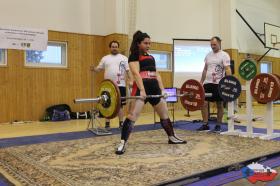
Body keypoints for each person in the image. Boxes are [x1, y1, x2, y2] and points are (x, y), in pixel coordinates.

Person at [116, 31, 186, 155]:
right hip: (141, 89)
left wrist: (163, 89)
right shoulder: (134, 56)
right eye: (145, 43)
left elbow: (157, 74)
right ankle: (123, 142)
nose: (148, 45)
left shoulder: (151, 57)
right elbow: (136, 74)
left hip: (154, 89)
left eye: (149, 43)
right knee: (132, 116)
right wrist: (142, 90)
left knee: (164, 114)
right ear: (138, 43)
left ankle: (172, 137)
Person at [92, 40, 132, 129]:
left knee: (120, 105)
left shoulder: (124, 58)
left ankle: (121, 123)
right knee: (106, 104)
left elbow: (128, 71)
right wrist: (94, 69)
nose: (114, 48)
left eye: (116, 46)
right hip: (108, 86)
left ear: (118, 47)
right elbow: (99, 69)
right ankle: (107, 124)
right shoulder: (105, 58)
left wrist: (131, 80)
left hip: (120, 85)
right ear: (110, 48)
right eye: (113, 46)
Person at [198, 36, 232, 132]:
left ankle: (218, 125)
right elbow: (205, 69)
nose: (212, 46)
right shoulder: (208, 55)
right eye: (211, 45)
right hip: (208, 83)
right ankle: (205, 124)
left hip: (218, 84)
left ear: (219, 43)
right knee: (203, 103)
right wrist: (201, 82)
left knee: (219, 105)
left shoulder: (224, 55)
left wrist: (229, 82)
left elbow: (227, 69)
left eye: (214, 44)